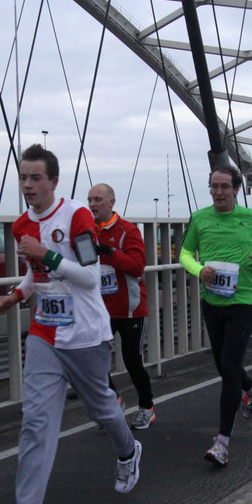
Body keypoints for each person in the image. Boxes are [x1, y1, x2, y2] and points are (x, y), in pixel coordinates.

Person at [0, 146, 142, 504]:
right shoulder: (21, 225)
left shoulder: (76, 216)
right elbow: (34, 274)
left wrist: (47, 254)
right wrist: (15, 296)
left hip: (86, 334)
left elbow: (90, 276)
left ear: (54, 181)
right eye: (23, 178)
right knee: (36, 421)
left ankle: (128, 451)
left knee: (102, 410)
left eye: (36, 178)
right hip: (45, 332)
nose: (28, 185)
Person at [179, 165, 252, 466]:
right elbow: (185, 254)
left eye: (224, 186)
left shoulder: (251, 217)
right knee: (224, 366)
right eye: (214, 186)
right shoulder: (199, 218)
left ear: (236, 189)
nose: (218, 192)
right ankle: (251, 387)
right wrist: (199, 270)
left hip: (245, 299)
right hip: (213, 300)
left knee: (231, 364)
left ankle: (221, 443)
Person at [86, 183, 155, 429]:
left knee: (132, 361)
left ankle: (147, 408)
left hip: (130, 309)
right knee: (94, 361)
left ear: (111, 202)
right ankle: (115, 403)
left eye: (97, 199)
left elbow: (136, 267)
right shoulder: (87, 232)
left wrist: (109, 252)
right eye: (90, 200)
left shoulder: (127, 230)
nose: (92, 204)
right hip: (101, 310)